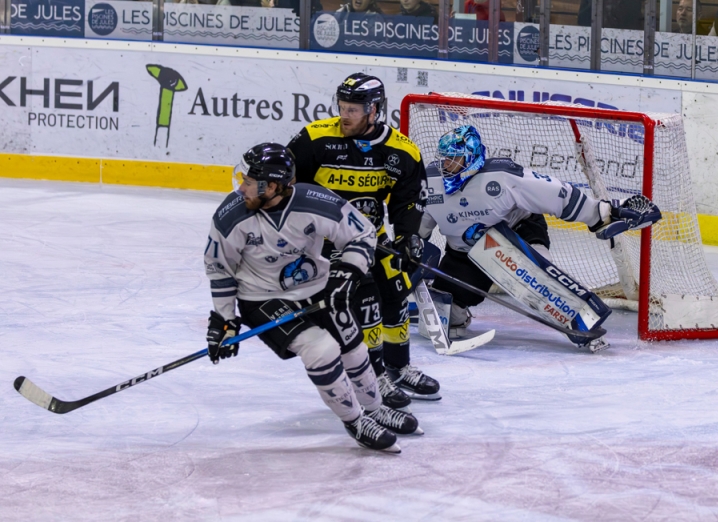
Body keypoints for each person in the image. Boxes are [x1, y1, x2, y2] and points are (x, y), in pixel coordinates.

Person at [204, 142, 421, 453]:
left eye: (250, 182)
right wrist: (224, 319)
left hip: (317, 288)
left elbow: (362, 234)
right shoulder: (230, 216)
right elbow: (219, 268)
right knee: (321, 350)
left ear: (274, 185)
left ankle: (375, 409)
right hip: (261, 298)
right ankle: (356, 421)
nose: (242, 188)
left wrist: (348, 271)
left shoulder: (313, 200)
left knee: (352, 343)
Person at [419, 125, 661, 352]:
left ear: (471, 158)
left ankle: (582, 322)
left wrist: (604, 213)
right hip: (466, 253)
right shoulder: (430, 183)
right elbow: (417, 228)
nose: (447, 164)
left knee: (542, 280)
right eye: (444, 158)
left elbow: (558, 195)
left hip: (517, 232)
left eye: (454, 158)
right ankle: (458, 314)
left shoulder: (501, 177)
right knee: (443, 316)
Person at [286, 73, 439, 408]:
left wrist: (408, 236)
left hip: (372, 238)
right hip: (325, 246)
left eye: (353, 109)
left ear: (374, 111)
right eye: (342, 107)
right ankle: (373, 374)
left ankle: (399, 367)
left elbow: (408, 199)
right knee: (365, 304)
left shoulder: (400, 150)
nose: (345, 115)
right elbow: (286, 186)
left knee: (396, 293)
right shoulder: (315, 140)